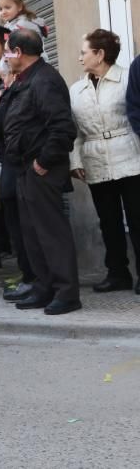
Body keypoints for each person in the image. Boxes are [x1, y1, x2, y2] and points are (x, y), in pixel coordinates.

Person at [0, 29, 80, 315]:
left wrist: (44, 162)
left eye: (7, 50)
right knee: (32, 233)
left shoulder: (45, 80)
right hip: (23, 166)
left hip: (41, 168)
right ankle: (43, 286)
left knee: (51, 232)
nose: (3, 57)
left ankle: (66, 292)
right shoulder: (25, 80)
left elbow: (63, 128)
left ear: (18, 52)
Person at [69, 29, 140, 294]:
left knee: (137, 218)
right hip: (95, 159)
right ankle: (117, 273)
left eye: (84, 52)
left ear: (99, 54)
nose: (80, 58)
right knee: (108, 221)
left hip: (130, 156)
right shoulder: (77, 89)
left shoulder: (126, 79)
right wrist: (75, 160)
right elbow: (74, 130)